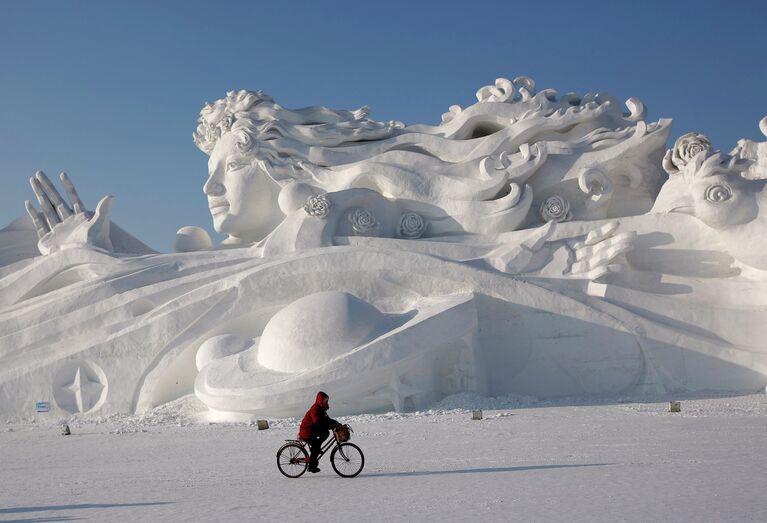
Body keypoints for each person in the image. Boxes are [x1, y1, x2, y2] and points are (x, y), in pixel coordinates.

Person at [298, 391, 340, 473]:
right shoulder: (315, 409)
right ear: (320, 401)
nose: (326, 402)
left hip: (312, 430)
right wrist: (328, 426)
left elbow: (326, 420)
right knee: (316, 446)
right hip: (307, 431)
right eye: (325, 401)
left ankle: (316, 449)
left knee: (325, 433)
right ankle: (311, 466)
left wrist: (336, 423)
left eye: (327, 401)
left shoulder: (321, 409)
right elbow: (318, 422)